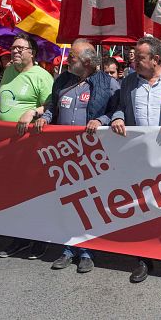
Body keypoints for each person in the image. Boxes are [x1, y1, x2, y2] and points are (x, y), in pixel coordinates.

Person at [109, 36, 161, 285]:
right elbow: (120, 107)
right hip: (138, 156)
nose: (133, 61)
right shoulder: (128, 82)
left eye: (139, 57)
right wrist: (118, 118)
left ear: (155, 59)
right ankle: (143, 259)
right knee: (142, 208)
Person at [42, 39, 120, 274]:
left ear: (86, 62)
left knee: (89, 203)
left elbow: (117, 111)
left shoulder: (109, 83)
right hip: (62, 153)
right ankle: (68, 248)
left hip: (92, 154)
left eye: (72, 58)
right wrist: (45, 117)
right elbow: (52, 106)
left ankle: (87, 251)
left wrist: (101, 120)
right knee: (67, 201)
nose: (68, 60)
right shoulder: (61, 81)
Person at [0, 34, 54, 260]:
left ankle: (40, 239)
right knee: (14, 194)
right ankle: (19, 238)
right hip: (7, 145)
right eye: (13, 48)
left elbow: (52, 105)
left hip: (31, 144)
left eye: (21, 48)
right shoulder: (8, 72)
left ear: (33, 53)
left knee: (34, 193)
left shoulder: (42, 76)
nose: (15, 51)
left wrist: (34, 111)